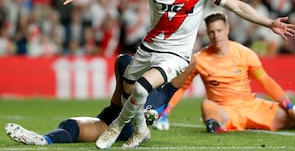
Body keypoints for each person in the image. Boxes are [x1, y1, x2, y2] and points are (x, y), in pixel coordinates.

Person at [56, 0, 295, 149]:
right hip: (148, 48)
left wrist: (269, 23)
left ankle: (116, 127)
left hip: (176, 55)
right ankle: (140, 130)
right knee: (129, 90)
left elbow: (236, 5)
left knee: (141, 88)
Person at [151, 11, 295, 133]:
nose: (216, 36)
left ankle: (222, 125)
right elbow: (182, 88)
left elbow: (266, 81)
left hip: (252, 107)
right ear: (207, 33)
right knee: (207, 106)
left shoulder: (245, 53)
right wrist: (165, 113)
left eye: (219, 30)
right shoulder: (200, 59)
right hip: (225, 111)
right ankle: (218, 125)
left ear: (227, 29)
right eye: (212, 32)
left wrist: (288, 104)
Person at [4, 53, 193, 145]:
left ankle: (141, 125)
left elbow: (191, 59)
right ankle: (43, 140)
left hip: (126, 127)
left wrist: (171, 49)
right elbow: (118, 99)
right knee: (71, 125)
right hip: (112, 119)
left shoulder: (166, 89)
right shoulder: (129, 68)